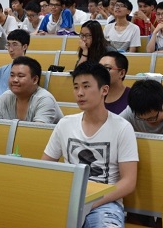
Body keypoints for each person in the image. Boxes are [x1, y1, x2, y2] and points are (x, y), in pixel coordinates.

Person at [42, 62, 138, 228]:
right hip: (68, 198)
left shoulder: (122, 128)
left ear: (104, 90)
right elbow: (45, 166)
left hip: (105, 203)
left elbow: (128, 182)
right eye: (76, 87)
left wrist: (90, 203)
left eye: (86, 86)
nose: (80, 93)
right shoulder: (65, 124)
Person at [0, 56, 63, 123]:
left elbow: (36, 131)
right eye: (12, 75)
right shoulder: (6, 96)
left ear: (35, 80)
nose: (15, 80)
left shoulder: (44, 99)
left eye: (20, 76)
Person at [0, 29, 30, 97]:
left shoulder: (29, 70)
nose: (10, 49)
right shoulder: (2, 69)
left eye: (14, 45)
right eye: (8, 45)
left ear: (24, 47)